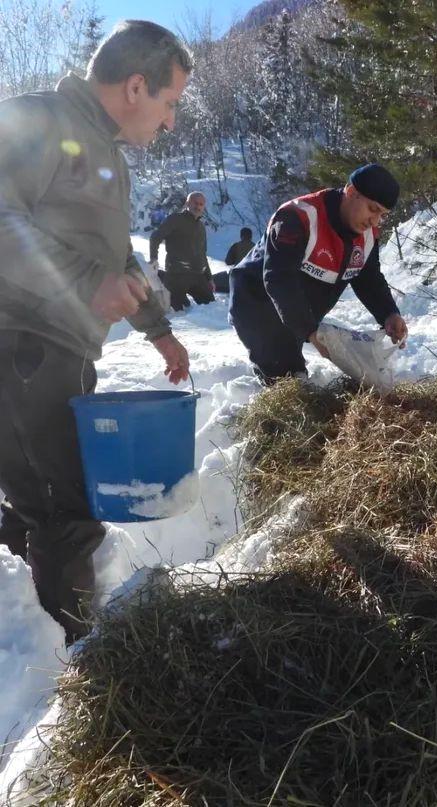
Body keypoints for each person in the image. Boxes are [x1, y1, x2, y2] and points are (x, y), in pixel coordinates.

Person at [0, 20, 193, 643]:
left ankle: (26, 624)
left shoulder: (106, 153)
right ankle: (76, 672)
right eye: (170, 104)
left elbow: (118, 259)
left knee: (40, 497)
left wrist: (157, 330)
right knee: (65, 509)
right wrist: (86, 283)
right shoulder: (38, 121)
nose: (171, 123)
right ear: (136, 86)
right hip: (18, 345)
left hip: (58, 352)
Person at [229, 164, 408, 383]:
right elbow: (279, 279)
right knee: (286, 378)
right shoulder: (298, 217)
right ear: (351, 192)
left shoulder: (367, 234)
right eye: (372, 209)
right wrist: (310, 330)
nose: (375, 220)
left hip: (297, 308)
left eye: (383, 215)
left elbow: (368, 278)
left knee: (295, 372)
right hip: (256, 300)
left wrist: (389, 313)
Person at [149, 191, 215, 311]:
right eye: (195, 203)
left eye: (201, 204)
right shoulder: (175, 219)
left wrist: (209, 278)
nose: (198, 206)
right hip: (176, 275)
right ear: (187, 203)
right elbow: (155, 237)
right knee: (177, 312)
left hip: (198, 276)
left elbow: (202, 254)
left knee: (211, 308)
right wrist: (154, 258)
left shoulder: (201, 227)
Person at [213, 226, 254, 293]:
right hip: (252, 280)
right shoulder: (256, 247)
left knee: (214, 279)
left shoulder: (236, 246)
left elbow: (228, 261)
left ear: (241, 236)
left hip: (237, 277)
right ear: (251, 236)